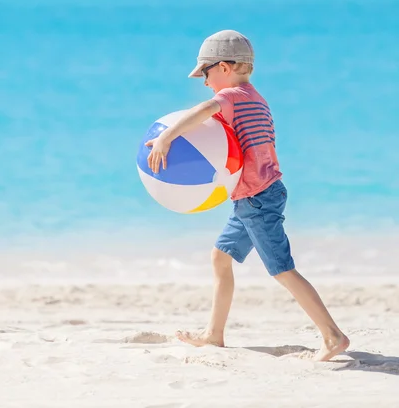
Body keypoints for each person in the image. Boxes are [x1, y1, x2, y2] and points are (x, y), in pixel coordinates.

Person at [145, 30, 349, 361]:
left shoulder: (231, 98)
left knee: (282, 270)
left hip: (256, 199)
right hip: (256, 195)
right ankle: (214, 334)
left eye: (206, 73)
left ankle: (332, 335)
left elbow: (203, 111)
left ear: (224, 67)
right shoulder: (255, 97)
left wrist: (168, 137)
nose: (204, 81)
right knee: (220, 256)